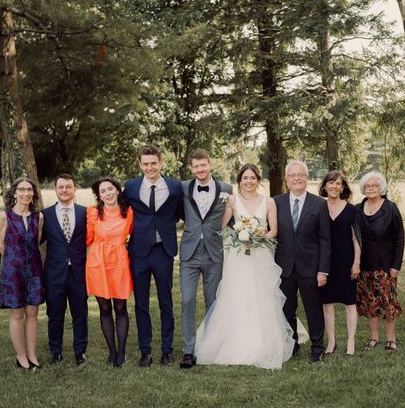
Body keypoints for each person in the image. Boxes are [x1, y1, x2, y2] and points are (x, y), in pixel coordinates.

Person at [195, 164, 295, 369]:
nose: (248, 181)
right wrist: (239, 237)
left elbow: (273, 229)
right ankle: (234, 343)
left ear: (258, 180)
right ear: (239, 180)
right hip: (238, 256)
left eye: (252, 178)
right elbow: (223, 227)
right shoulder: (232, 200)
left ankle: (263, 345)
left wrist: (258, 238)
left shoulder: (269, 202)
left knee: (262, 297)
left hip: (261, 255)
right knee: (237, 296)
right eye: (244, 178)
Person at [124, 145, 183, 367]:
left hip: (163, 251)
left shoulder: (175, 187)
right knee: (141, 303)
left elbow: (179, 213)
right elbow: (123, 213)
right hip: (138, 252)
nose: (150, 167)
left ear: (161, 162)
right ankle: (145, 350)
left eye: (153, 163)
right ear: (140, 165)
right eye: (145, 164)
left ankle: (166, 351)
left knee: (165, 301)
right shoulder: (130, 187)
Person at [179, 148, 233, 369]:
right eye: (196, 166)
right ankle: (188, 350)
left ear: (210, 165)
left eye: (203, 165)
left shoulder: (226, 189)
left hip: (214, 252)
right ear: (191, 168)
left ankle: (210, 346)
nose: (200, 169)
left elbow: (232, 218)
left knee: (213, 302)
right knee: (187, 300)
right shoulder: (182, 188)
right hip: (189, 253)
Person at [274, 160, 331, 363]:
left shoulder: (320, 204)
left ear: (307, 178)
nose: (296, 178)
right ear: (287, 180)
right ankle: (293, 344)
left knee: (313, 308)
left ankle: (317, 347)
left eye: (300, 175)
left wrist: (323, 270)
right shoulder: (276, 202)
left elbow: (325, 239)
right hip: (284, 266)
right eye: (292, 175)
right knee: (287, 308)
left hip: (311, 266)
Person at [0, 177, 45, 369]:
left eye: (30, 190)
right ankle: (21, 356)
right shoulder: (4, 216)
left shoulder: (38, 217)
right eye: (22, 189)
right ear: (14, 193)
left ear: (33, 193)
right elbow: (0, 244)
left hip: (34, 270)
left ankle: (32, 355)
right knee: (17, 313)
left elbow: (36, 241)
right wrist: (13, 260)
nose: (26, 193)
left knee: (33, 312)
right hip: (13, 270)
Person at [41, 173, 88, 366]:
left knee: (80, 314)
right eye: (61, 187)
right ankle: (56, 352)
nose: (64, 190)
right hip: (54, 273)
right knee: (55, 314)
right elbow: (35, 241)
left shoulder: (86, 213)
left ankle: (80, 352)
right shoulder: (46, 215)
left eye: (68, 186)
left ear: (74, 188)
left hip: (78, 272)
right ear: (55, 189)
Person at [86, 177, 134, 367]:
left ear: (117, 190)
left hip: (120, 264)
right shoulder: (92, 213)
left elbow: (133, 233)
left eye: (110, 189)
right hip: (98, 265)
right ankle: (111, 352)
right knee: (104, 309)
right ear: (99, 196)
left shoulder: (128, 212)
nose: (107, 193)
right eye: (103, 191)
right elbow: (87, 238)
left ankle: (121, 352)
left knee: (120, 308)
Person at [355, 171, 404, 351]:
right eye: (368, 186)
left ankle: (391, 339)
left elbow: (399, 237)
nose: (371, 188)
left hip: (385, 265)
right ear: (363, 188)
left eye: (375, 185)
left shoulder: (390, 208)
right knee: (369, 304)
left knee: (387, 303)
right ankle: (373, 338)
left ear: (381, 188)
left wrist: (396, 265)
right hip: (364, 265)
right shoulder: (357, 209)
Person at [317, 171, 361, 356]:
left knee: (350, 303)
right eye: (330, 183)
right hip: (325, 263)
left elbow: (356, 238)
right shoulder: (318, 207)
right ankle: (332, 341)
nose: (334, 186)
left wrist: (356, 262)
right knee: (327, 303)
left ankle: (351, 342)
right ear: (325, 186)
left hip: (347, 261)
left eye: (338, 183)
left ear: (343, 187)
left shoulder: (352, 210)